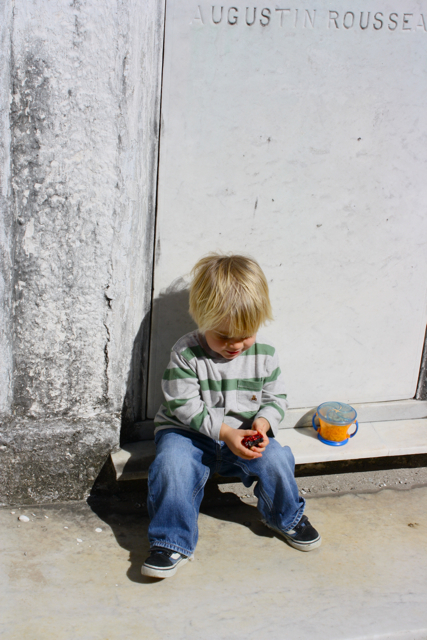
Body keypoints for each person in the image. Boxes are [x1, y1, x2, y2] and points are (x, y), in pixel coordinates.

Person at [142, 254, 321, 578]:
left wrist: (263, 424)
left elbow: (275, 398)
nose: (235, 344)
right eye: (224, 336)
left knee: (276, 459)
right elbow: (183, 404)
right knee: (172, 466)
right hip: (188, 435)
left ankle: (287, 517)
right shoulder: (186, 353)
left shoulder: (265, 355)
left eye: (245, 334)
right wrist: (225, 433)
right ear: (202, 318)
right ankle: (170, 540)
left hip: (244, 436)